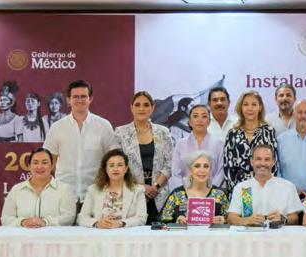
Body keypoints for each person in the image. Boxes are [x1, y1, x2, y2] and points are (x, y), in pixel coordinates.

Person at [43, 80, 117, 201]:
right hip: (64, 196)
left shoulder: (103, 126)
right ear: (68, 100)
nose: (79, 100)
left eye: (83, 96)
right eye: (75, 97)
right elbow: (50, 161)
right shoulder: (57, 127)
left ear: (90, 99)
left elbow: (113, 159)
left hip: (96, 194)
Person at [114, 91, 173, 223]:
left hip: (159, 194)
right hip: (132, 193)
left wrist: (155, 186)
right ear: (131, 107)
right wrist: (141, 187)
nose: (141, 108)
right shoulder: (120, 133)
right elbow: (117, 165)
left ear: (152, 108)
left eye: (146, 105)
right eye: (137, 105)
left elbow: (170, 163)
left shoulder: (163, 132)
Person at [227, 144, 302, 226]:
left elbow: (295, 218)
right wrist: (247, 220)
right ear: (252, 162)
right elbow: (231, 218)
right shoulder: (241, 187)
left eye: (267, 159)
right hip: (249, 234)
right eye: (258, 159)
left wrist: (283, 219)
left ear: (273, 162)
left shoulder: (288, 187)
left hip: (279, 233)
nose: (263, 163)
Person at [223, 90, 278, 198]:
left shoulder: (269, 131)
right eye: (246, 104)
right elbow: (228, 167)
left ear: (260, 107)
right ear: (241, 107)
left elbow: (274, 164)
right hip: (240, 189)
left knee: (262, 210)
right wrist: (235, 193)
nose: (250, 108)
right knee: (246, 210)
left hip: (264, 188)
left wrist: (268, 188)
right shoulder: (232, 133)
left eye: (254, 104)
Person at [0, 147, 76, 227]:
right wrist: (22, 222)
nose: (40, 166)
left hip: (54, 235)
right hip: (22, 235)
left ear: (52, 166)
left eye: (44, 163)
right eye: (35, 163)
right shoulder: (16, 190)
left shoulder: (64, 189)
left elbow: (68, 217)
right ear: (29, 166)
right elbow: (6, 218)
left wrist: (45, 222)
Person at [77, 149, 148, 228]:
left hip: (126, 233)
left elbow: (141, 218)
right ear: (106, 169)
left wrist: (120, 223)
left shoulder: (138, 190)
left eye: (120, 165)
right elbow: (82, 218)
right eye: (111, 165)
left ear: (126, 169)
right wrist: (97, 223)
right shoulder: (93, 190)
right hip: (100, 233)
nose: (115, 169)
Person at [160, 151, 228, 224]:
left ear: (210, 170)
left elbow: (230, 220)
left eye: (206, 166)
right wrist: (177, 222)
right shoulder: (177, 195)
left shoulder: (219, 195)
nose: (202, 170)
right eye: (197, 166)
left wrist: (224, 220)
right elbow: (162, 222)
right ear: (190, 170)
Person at [168, 104, 225, 191]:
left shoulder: (219, 144)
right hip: (185, 193)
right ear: (190, 122)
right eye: (195, 116)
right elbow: (176, 173)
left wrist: (210, 191)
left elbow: (221, 172)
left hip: (212, 193)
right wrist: (183, 193)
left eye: (204, 116)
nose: (199, 120)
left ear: (209, 122)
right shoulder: (181, 144)